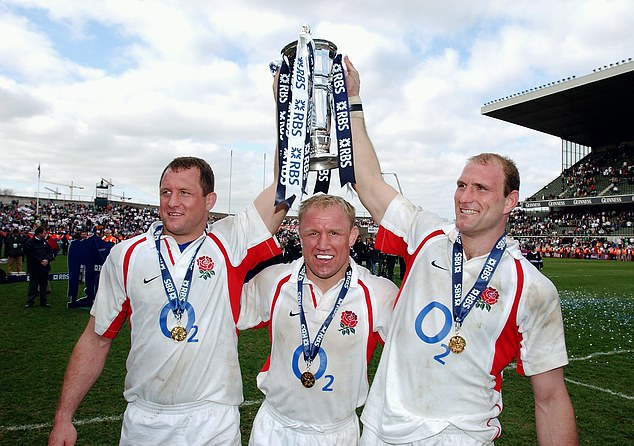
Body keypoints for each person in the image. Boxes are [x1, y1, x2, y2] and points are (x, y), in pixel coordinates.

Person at [343, 57, 578, 445]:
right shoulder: (427, 235)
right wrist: (353, 102)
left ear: (509, 201)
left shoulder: (531, 287)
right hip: (384, 431)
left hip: (461, 436)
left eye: (481, 189)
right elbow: (368, 183)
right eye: (461, 185)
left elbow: (550, 397)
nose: (465, 197)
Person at [49, 156, 287, 446]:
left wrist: (285, 112)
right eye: (166, 192)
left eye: (185, 193)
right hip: (145, 422)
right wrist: (63, 417)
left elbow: (281, 188)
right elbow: (96, 339)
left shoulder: (229, 242)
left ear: (209, 200)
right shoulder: (127, 256)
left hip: (213, 421)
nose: (172, 202)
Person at [237, 194, 398, 445]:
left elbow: (415, 352)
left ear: (353, 236)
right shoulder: (274, 281)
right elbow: (221, 309)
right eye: (312, 233)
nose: (323, 244)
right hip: (275, 429)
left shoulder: (379, 292)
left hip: (337, 433)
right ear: (299, 234)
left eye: (334, 233)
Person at [24, 226, 55, 307]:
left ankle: (43, 301)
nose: (45, 234)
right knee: (33, 285)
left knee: (44, 285)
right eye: (44, 233)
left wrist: (47, 260)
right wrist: (41, 261)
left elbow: (50, 251)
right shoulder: (30, 242)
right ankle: (30, 301)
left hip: (44, 268)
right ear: (39, 233)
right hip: (34, 268)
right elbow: (30, 254)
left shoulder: (45, 242)